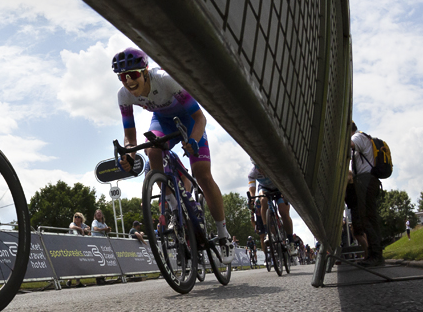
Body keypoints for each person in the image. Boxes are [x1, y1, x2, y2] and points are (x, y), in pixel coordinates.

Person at [112, 47, 233, 263]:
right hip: (163, 121)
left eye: (133, 75)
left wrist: (193, 141)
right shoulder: (123, 96)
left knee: (202, 174)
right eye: (123, 77)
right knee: (151, 148)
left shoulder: (165, 79)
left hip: (190, 119)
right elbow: (130, 136)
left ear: (145, 71)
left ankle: (223, 235)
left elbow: (200, 118)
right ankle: (175, 207)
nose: (128, 81)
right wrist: (128, 155)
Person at [350, 122, 384, 265]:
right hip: (368, 180)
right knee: (368, 218)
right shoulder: (363, 137)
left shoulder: (358, 136)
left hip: (366, 180)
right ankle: (373, 255)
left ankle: (376, 256)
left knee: (368, 218)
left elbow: (349, 145)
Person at [247, 160, 293, 257]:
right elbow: (252, 190)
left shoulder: (274, 166)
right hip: (265, 189)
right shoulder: (252, 173)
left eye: (262, 166)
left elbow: (285, 180)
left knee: (283, 212)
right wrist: (251, 199)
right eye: (258, 167)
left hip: (279, 188)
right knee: (262, 200)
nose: (261, 171)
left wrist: (285, 193)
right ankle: (268, 232)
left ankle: (291, 241)